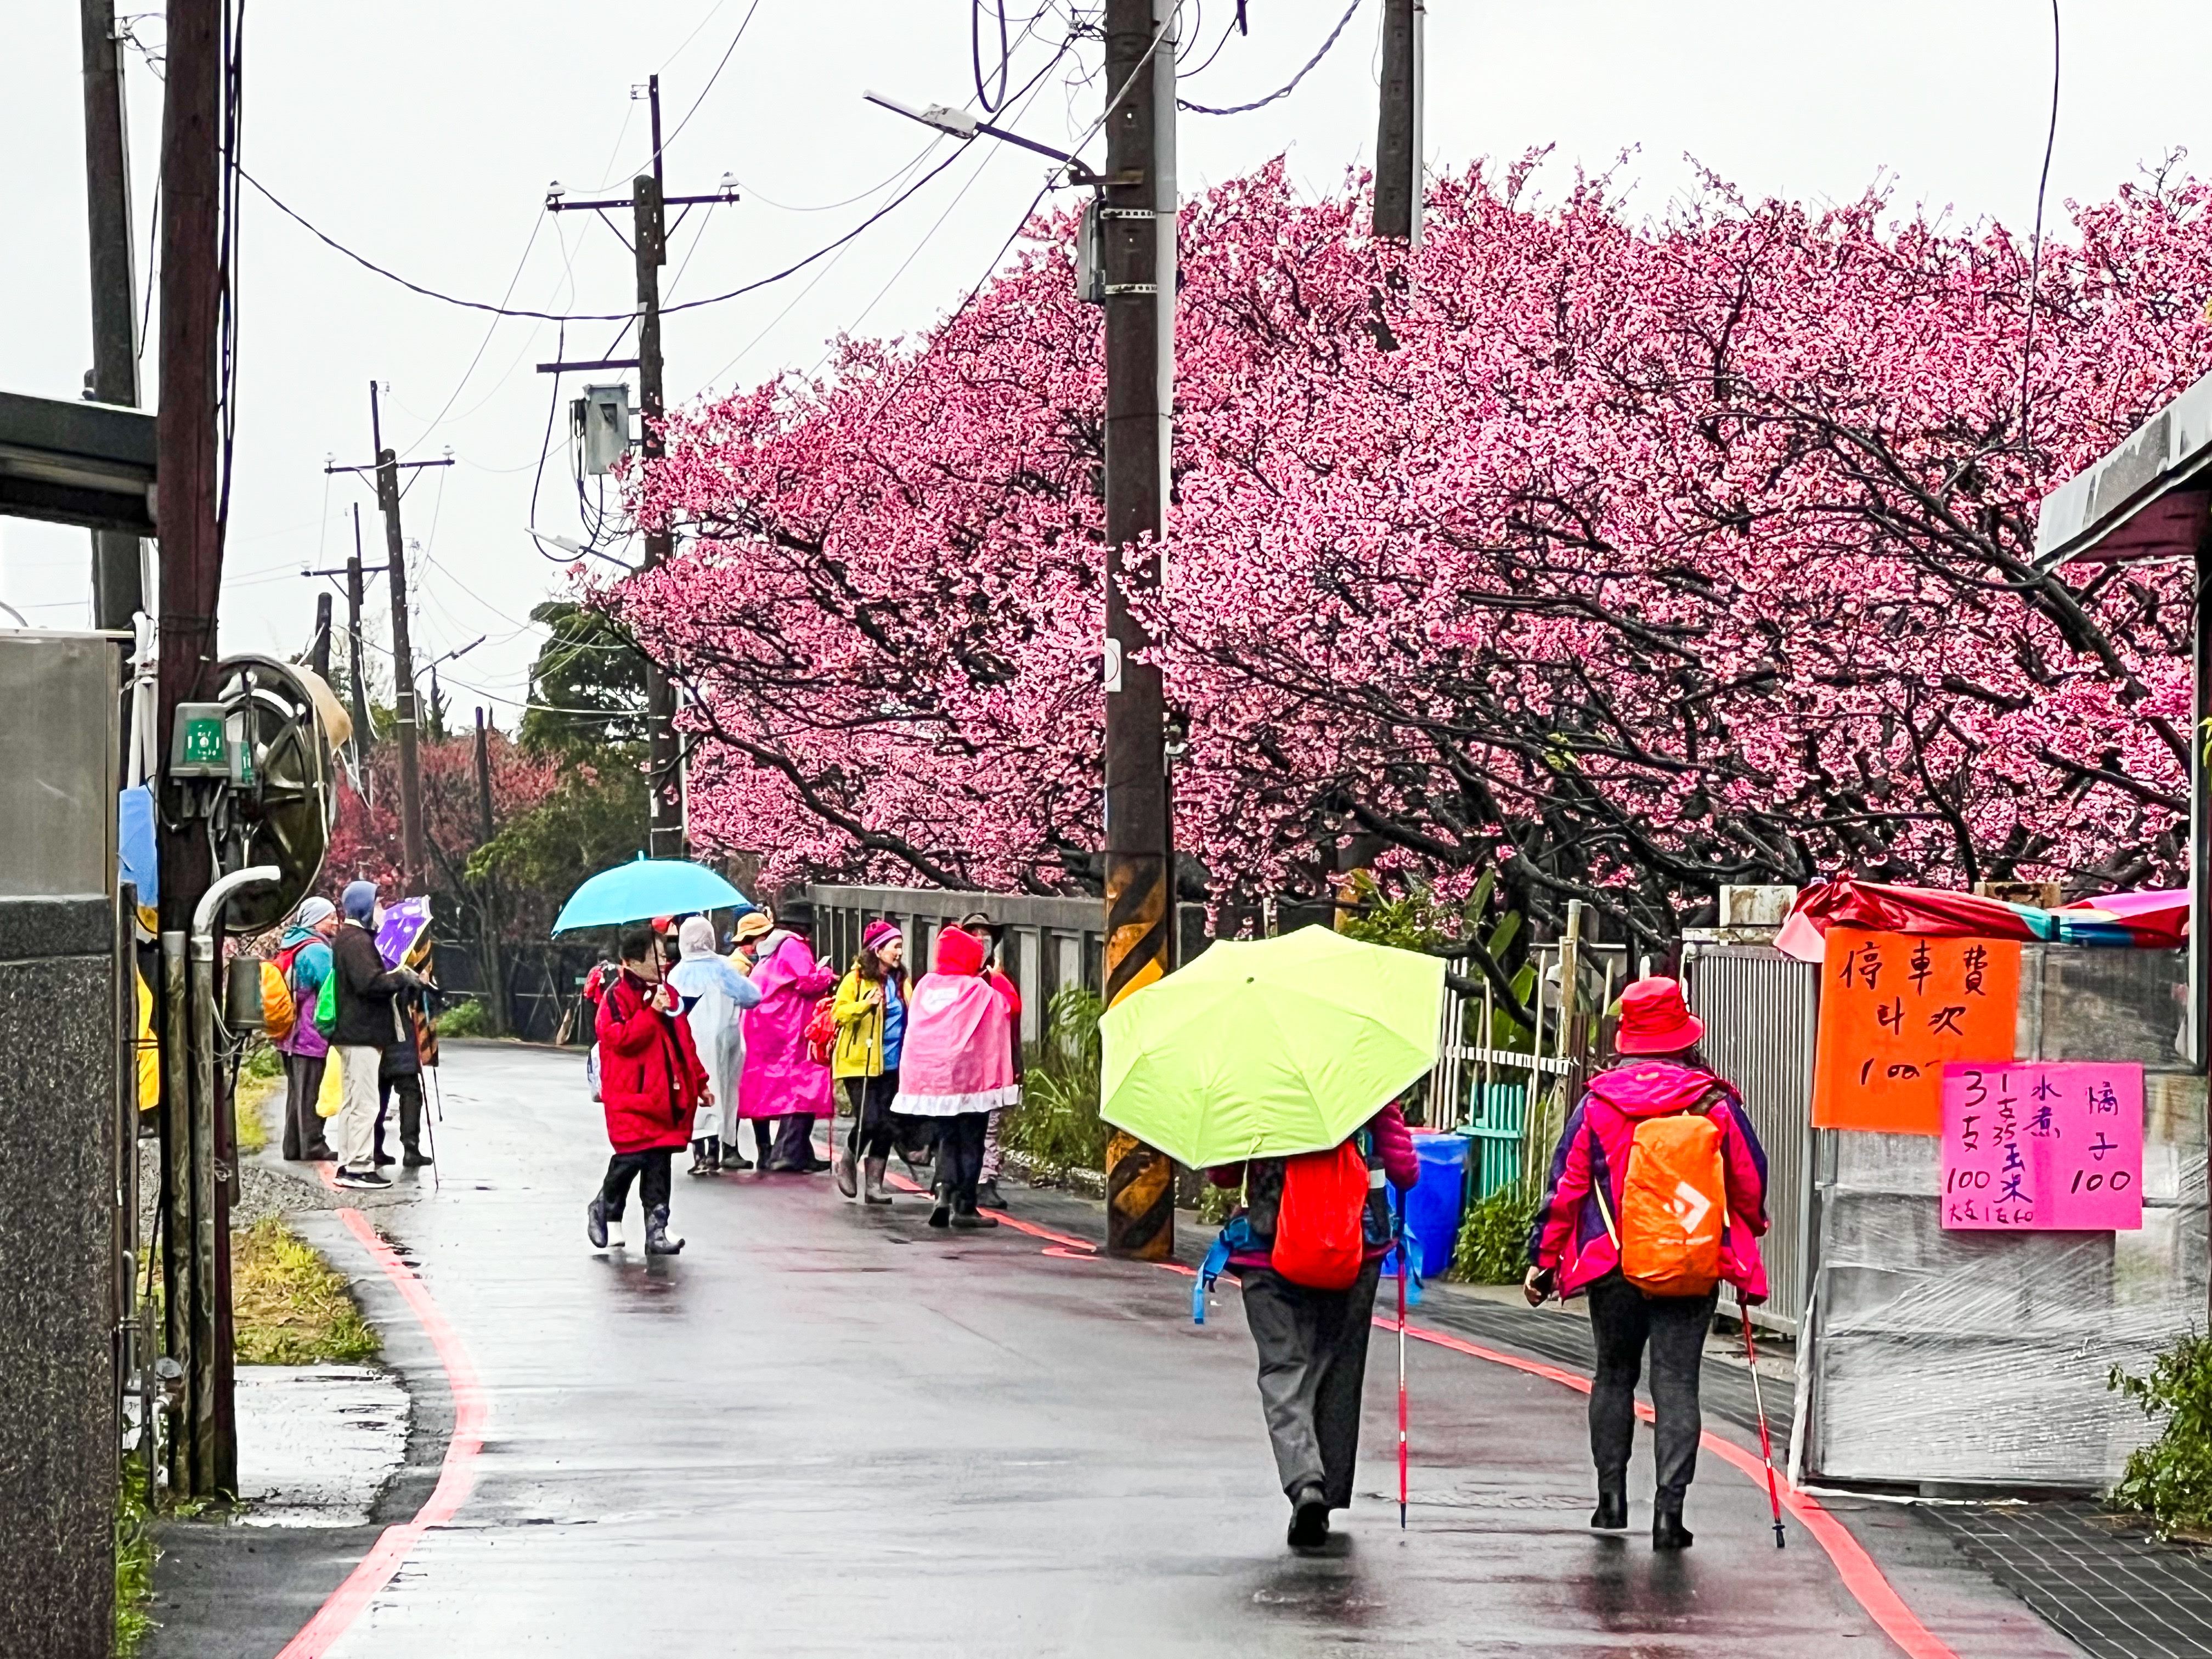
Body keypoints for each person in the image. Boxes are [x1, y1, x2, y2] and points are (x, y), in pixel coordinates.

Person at [1524, 975, 1769, 1551]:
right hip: (1688, 1256)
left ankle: (1610, 1501)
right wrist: (1746, 1230)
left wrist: (1545, 1256)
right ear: (1684, 1035)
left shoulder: (1598, 1103)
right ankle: (1669, 1512)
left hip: (1613, 1261)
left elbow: (1566, 1189)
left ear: (1628, 1036)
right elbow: (1749, 1183)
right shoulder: (1714, 1102)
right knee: (1677, 1381)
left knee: (1614, 1374)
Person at [1207, 1103, 1418, 1550]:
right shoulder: (1364, 1078)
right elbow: (1404, 1170)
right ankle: (1327, 1490)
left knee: (1284, 1370)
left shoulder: (1254, 1079)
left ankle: (1306, 1484)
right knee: (1336, 1369)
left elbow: (1224, 1174)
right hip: (1350, 1248)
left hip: (1267, 1248)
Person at [588, 924, 710, 1255]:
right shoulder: (615, 997)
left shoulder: (667, 993)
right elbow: (619, 1039)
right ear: (631, 960)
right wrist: (651, 1012)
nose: (664, 962)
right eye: (656, 956)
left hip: (668, 1097)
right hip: (633, 1097)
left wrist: (699, 1082)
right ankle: (604, 1206)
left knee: (659, 1163)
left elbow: (684, 1042)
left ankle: (657, 1230)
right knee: (631, 1157)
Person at [893, 926, 1020, 1230]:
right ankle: (965, 1205)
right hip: (970, 1078)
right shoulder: (977, 990)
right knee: (972, 1139)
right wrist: (996, 977)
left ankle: (942, 1192)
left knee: (947, 1137)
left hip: (932, 1079)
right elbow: (1010, 1007)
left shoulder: (926, 986)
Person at [328, 880, 420, 1191]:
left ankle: (349, 1161)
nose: (381, 908)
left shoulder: (351, 939)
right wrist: (400, 977)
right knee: (365, 1103)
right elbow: (369, 983)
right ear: (364, 906)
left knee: (353, 1101)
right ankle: (359, 1166)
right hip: (361, 1033)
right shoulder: (356, 941)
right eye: (378, 902)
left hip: (353, 1032)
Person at [736, 915, 837, 1173]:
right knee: (804, 1086)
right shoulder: (794, 946)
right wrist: (826, 973)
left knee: (792, 1087)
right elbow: (807, 981)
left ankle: (795, 1151)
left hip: (768, 1025)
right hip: (791, 1026)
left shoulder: (773, 951)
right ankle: (789, 1152)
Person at [668, 915, 761, 1174]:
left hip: (691, 1041)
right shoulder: (723, 968)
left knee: (697, 1094)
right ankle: (719, 1150)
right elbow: (753, 996)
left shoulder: (677, 973)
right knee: (726, 1094)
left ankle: (700, 1156)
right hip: (726, 1039)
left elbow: (670, 1009)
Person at [831, 921, 910, 1205]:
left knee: (888, 1124)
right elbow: (838, 1014)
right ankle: (847, 1162)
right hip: (859, 1062)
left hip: (893, 1063)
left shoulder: (900, 980)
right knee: (870, 1119)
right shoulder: (856, 979)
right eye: (895, 946)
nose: (900, 952)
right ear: (878, 950)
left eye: (900, 946)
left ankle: (874, 1184)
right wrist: (865, 1005)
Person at [957, 911, 1023, 1210]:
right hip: (962, 1065)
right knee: (961, 1124)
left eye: (986, 937)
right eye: (975, 936)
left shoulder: (999, 981)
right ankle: (956, 1180)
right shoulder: (954, 980)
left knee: (991, 1124)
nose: (981, 943)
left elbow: (1012, 1017)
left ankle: (986, 1180)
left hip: (995, 1062)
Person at [275, 896, 338, 1162]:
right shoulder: (318, 951)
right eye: (330, 917)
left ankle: (293, 1145)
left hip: (288, 1031)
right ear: (314, 920)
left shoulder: (292, 944)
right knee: (311, 1092)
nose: (336, 921)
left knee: (297, 1092)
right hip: (310, 1033)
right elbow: (330, 987)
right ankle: (313, 1145)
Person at [374, 934, 436, 1169]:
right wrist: (421, 981)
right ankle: (411, 1148)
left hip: (376, 1040)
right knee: (410, 1093)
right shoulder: (401, 965)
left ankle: (375, 1147)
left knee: (377, 1096)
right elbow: (419, 999)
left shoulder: (368, 962)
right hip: (400, 1041)